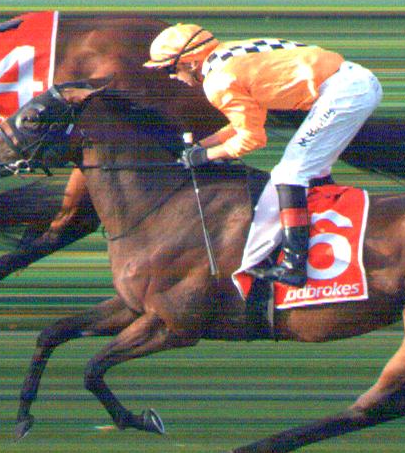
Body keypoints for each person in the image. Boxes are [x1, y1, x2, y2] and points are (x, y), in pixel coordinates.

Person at [148, 24, 380, 287]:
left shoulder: (218, 81)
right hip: (351, 84)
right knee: (309, 170)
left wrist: (206, 156)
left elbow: (253, 139)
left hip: (344, 93)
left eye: (170, 69)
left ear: (190, 62)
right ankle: (328, 233)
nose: (171, 77)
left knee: (288, 174)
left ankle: (293, 266)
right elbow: (246, 122)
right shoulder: (227, 55)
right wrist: (203, 145)